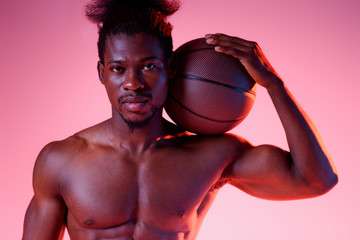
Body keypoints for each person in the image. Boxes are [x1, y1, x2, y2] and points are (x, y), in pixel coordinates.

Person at [22, 0, 338, 239]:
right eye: (118, 68)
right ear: (102, 73)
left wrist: (273, 84)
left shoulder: (212, 155)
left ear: (169, 68)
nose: (133, 83)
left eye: (148, 66)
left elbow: (317, 179)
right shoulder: (60, 161)